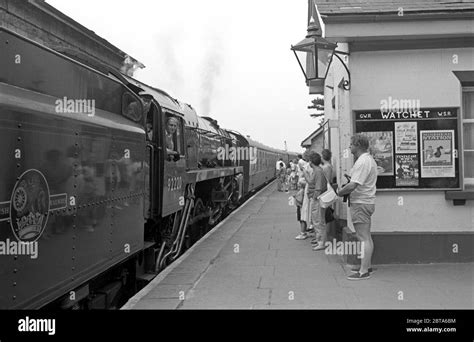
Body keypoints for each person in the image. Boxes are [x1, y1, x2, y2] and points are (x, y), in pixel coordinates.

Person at [338, 134, 378, 280]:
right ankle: (366, 266)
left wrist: (340, 191)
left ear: (358, 145)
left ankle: (363, 271)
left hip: (361, 203)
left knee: (363, 237)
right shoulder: (368, 160)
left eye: (351, 144)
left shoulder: (362, 162)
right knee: (367, 236)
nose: (350, 147)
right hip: (366, 202)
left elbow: (354, 185)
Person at [303, 151, 327, 251]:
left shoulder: (318, 172)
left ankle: (321, 242)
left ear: (311, 162)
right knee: (317, 220)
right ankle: (319, 239)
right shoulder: (317, 171)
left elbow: (318, 188)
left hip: (317, 199)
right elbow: (311, 182)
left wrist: (313, 199)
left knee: (318, 221)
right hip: (315, 198)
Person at [311, 149, 335, 248]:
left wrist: (315, 195)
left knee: (320, 219)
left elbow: (323, 182)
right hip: (323, 194)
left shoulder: (325, 168)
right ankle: (320, 238)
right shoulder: (325, 167)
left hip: (322, 195)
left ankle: (322, 241)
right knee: (321, 219)